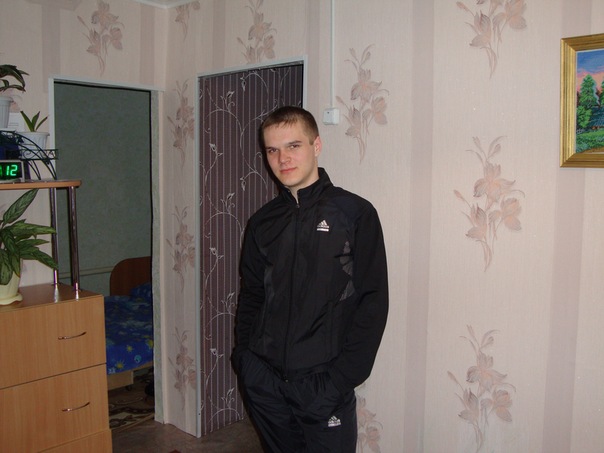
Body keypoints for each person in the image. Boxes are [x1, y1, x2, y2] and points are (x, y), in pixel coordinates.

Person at [232, 106, 388, 452]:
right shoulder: (262, 223)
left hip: (323, 385)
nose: (282, 159)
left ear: (316, 145)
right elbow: (253, 294)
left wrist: (340, 380)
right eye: (272, 150)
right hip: (265, 382)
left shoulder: (354, 214)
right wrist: (245, 360)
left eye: (293, 146)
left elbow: (373, 302)